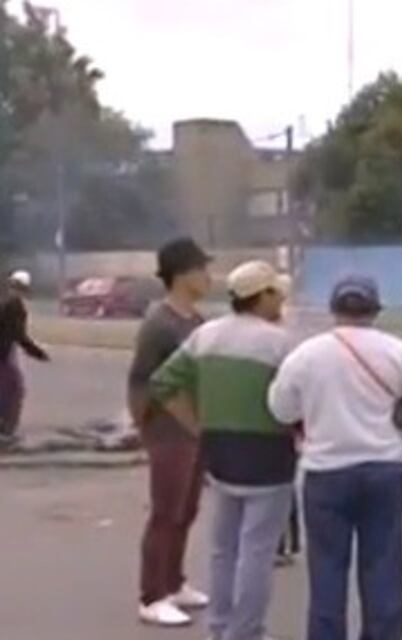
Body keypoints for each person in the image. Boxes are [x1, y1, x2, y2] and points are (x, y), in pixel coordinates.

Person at [268, 275, 402, 640]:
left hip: (324, 473)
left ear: (334, 310)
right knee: (383, 567)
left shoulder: (306, 355)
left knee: (327, 574)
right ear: (375, 310)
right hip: (384, 471)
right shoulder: (400, 354)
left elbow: (281, 410)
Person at [152, 260, 296, 640]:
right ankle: (246, 632)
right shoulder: (280, 343)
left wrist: (196, 425)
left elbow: (162, 383)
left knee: (223, 550)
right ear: (262, 296)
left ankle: (219, 627)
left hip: (219, 453)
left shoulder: (204, 336)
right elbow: (297, 400)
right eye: (276, 293)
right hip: (269, 456)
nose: (280, 299)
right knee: (257, 553)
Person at [128, 237, 212, 627]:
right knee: (165, 512)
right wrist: (149, 426)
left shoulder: (196, 321)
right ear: (181, 274)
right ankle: (152, 595)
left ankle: (174, 582)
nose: (208, 277)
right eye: (202, 269)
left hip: (196, 427)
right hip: (167, 429)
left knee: (187, 509)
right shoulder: (158, 323)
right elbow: (144, 381)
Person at [0, 270, 50, 445]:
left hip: (4, 353)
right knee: (14, 390)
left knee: (8, 389)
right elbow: (19, 336)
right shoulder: (14, 306)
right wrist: (38, 353)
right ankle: (6, 431)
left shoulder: (5, 302)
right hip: (2, 355)